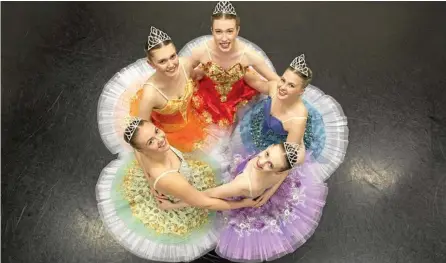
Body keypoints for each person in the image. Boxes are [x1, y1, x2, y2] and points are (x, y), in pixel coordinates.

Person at [95, 117, 256, 262]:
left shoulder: (146, 151)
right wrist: (242, 204)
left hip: (179, 183)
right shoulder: (170, 178)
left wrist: (151, 181)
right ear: (144, 149)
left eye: (157, 131)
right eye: (150, 141)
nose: (160, 139)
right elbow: (205, 203)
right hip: (180, 194)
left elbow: (138, 152)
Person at [161, 142, 328, 262]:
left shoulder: (241, 185)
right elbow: (292, 164)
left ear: (278, 170)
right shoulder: (282, 167)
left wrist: (175, 204)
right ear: (270, 147)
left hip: (243, 194)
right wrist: (270, 191)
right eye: (267, 154)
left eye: (270, 165)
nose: (261, 162)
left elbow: (207, 197)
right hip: (260, 189)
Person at [97, 26, 223, 154]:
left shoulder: (185, 64)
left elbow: (197, 75)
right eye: (162, 61)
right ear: (151, 64)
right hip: (168, 134)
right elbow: (143, 131)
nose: (171, 65)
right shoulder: (150, 95)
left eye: (173, 56)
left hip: (195, 117)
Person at [231, 54, 349, 183]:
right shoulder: (275, 87)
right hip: (263, 127)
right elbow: (255, 82)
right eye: (283, 80)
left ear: (301, 91)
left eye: (291, 85)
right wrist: (234, 65)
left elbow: (289, 158)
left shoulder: (298, 119)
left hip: (279, 144)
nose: (282, 87)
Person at [179, 1, 279, 127]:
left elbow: (276, 81)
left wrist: (276, 101)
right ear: (212, 31)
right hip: (206, 99)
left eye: (229, 31)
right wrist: (195, 74)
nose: (224, 38)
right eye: (219, 31)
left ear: (237, 31)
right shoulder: (202, 52)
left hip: (238, 100)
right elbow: (183, 71)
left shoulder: (248, 55)